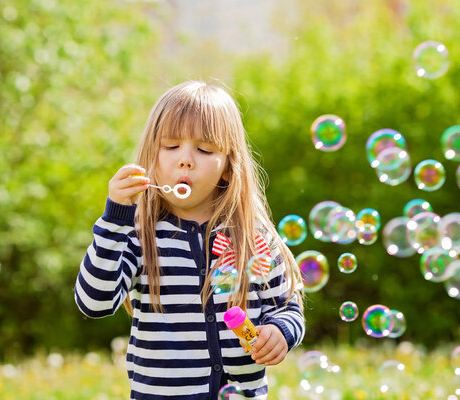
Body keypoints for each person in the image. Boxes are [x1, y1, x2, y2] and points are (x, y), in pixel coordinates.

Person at [74, 80, 305, 399]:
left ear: (228, 166)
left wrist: (281, 332)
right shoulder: (141, 235)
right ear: (151, 157)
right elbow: (93, 302)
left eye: (204, 149)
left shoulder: (253, 237)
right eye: (170, 146)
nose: (185, 159)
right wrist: (115, 219)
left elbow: (287, 305)